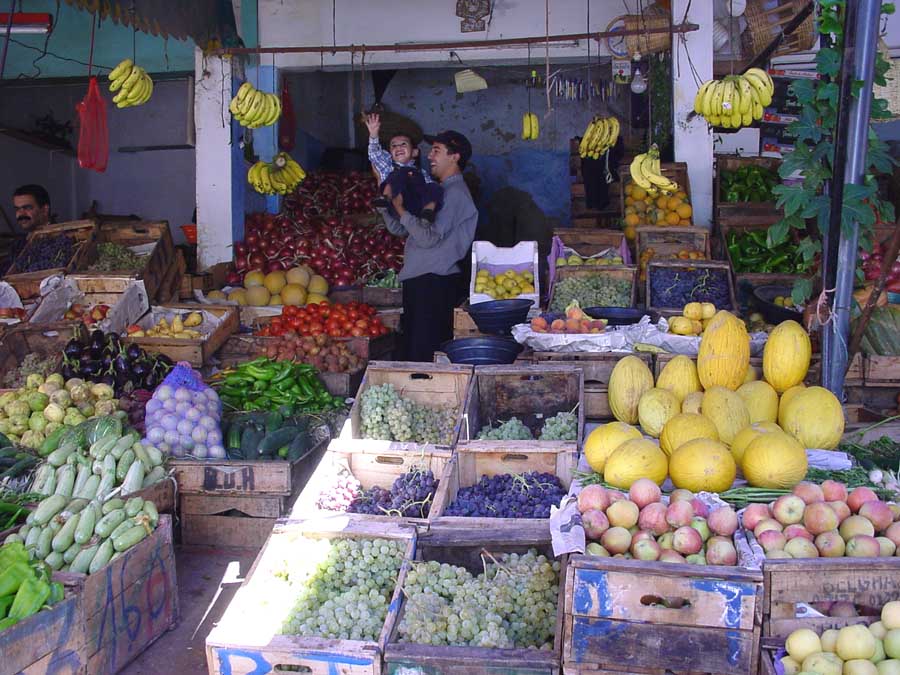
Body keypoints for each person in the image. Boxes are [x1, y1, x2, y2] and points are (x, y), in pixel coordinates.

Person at [377, 130, 478, 363]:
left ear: (455, 157)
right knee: (414, 351)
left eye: (437, 151)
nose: (430, 156)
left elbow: (428, 238)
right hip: (420, 283)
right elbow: (403, 229)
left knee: (424, 355)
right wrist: (387, 205)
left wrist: (401, 209)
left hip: (434, 285)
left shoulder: (455, 194)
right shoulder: (437, 190)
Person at [366, 113, 443, 223]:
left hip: (416, 208)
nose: (398, 147)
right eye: (394, 146)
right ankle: (385, 199)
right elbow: (374, 154)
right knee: (400, 173)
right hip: (395, 208)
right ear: (390, 153)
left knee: (435, 187)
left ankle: (427, 213)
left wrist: (435, 188)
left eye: (403, 144)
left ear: (415, 152)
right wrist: (373, 135)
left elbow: (430, 186)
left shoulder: (420, 172)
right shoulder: (387, 167)